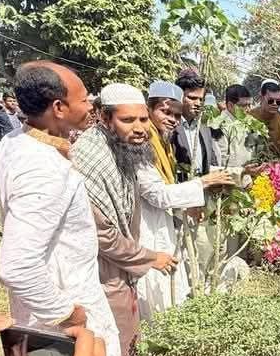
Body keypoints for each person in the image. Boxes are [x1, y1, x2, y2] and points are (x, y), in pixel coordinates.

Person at [0, 61, 120, 356]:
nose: (90, 104)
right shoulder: (43, 167)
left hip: (52, 304)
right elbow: (17, 266)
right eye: (83, 98)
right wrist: (66, 311)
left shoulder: (17, 141)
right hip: (65, 322)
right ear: (58, 108)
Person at [72, 83, 178, 355]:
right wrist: (150, 257)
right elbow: (103, 234)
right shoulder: (91, 157)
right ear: (104, 118)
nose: (140, 128)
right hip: (101, 274)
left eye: (143, 119)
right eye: (127, 120)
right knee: (115, 342)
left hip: (120, 271)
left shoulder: (120, 147)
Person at [135, 81, 236, 319]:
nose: (172, 119)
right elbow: (157, 193)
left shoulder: (163, 141)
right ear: (149, 109)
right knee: (153, 294)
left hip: (167, 218)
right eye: (165, 112)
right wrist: (202, 184)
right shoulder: (142, 143)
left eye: (176, 115)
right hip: (147, 226)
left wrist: (187, 204)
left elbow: (169, 187)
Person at [171, 70, 218, 181]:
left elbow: (211, 162)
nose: (197, 103)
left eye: (201, 99)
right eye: (192, 98)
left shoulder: (204, 127)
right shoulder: (170, 127)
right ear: (179, 97)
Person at [249, 80, 280, 160]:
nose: (275, 104)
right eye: (271, 101)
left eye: (278, 101)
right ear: (261, 98)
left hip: (277, 167)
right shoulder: (249, 117)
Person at [217, 84, 254, 170]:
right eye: (244, 105)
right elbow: (223, 161)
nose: (248, 109)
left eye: (249, 105)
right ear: (230, 105)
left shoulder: (245, 121)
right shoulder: (220, 126)